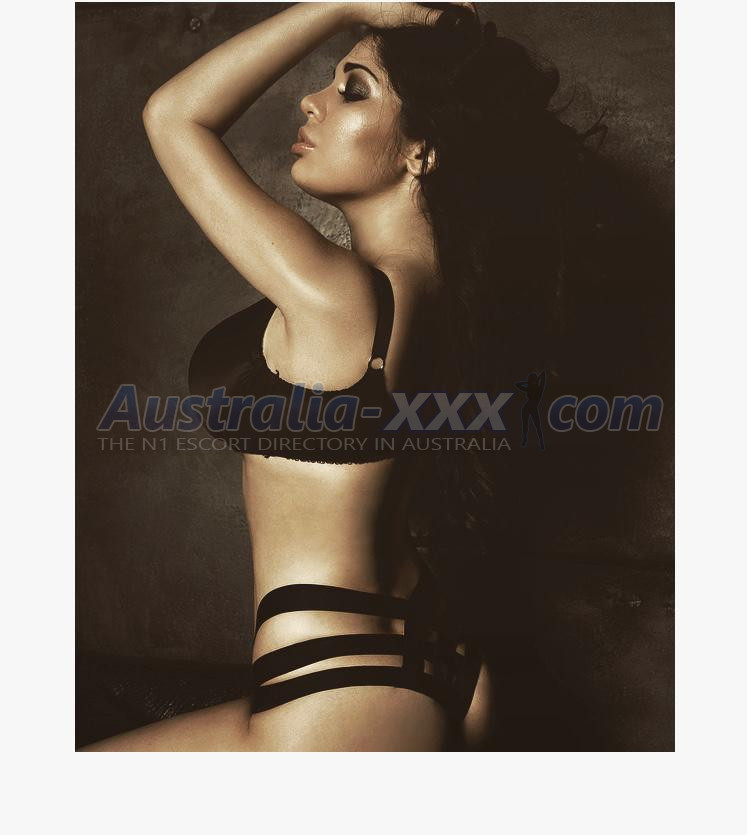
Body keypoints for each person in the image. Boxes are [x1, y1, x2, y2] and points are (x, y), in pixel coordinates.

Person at [82, 1, 590, 751]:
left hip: (342, 681)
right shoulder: (450, 298)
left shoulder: (341, 298)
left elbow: (174, 116)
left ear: (422, 150)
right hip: (434, 659)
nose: (310, 100)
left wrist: (340, 4)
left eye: (352, 90)